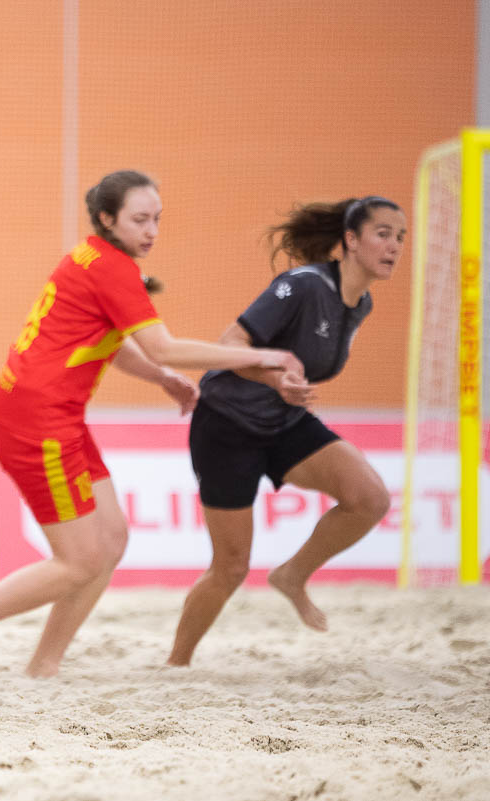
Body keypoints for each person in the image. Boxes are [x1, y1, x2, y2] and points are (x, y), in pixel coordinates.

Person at [0, 170, 304, 678]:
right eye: (140, 220)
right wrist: (262, 355)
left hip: (53, 413)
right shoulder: (113, 269)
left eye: (157, 219)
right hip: (37, 420)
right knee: (79, 560)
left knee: (110, 540)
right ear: (108, 218)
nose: (152, 230)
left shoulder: (90, 256)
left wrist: (162, 378)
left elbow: (112, 343)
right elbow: (164, 346)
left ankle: (44, 664)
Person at [166, 196, 405, 666]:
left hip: (284, 421)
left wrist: (286, 387)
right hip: (227, 423)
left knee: (370, 498)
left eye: (400, 237)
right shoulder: (302, 286)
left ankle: (292, 575)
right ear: (350, 240)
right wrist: (276, 378)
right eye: (383, 233)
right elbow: (229, 346)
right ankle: (177, 663)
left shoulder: (361, 303)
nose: (394, 245)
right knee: (231, 567)